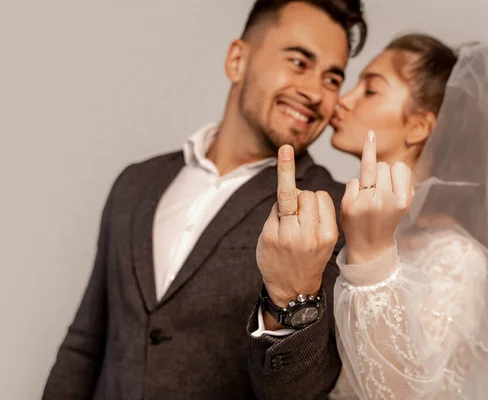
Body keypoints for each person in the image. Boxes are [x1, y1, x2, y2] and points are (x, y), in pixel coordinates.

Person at [42, 1, 367, 399]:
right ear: (237, 60)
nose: (315, 92)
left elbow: (306, 391)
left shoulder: (330, 210)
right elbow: (85, 345)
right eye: (299, 62)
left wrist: (290, 298)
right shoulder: (135, 183)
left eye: (333, 79)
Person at [327, 34, 488, 399]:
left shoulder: (454, 258)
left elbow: (403, 393)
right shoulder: (350, 225)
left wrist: (370, 261)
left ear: (418, 127)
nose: (343, 100)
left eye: (371, 90)